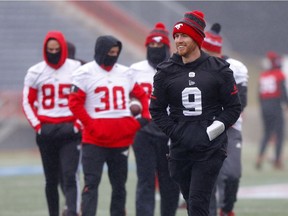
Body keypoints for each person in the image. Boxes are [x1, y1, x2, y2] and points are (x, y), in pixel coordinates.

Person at [149, 10, 242, 216]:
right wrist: (177, 132)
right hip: (180, 148)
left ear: (197, 39)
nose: (179, 40)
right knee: (192, 201)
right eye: (176, 36)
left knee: (198, 202)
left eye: (184, 36)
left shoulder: (219, 69)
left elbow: (233, 108)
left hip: (210, 149)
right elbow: (156, 109)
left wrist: (211, 132)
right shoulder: (165, 71)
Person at [68, 35, 150, 216]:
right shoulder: (85, 72)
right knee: (91, 184)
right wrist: (91, 125)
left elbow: (142, 94)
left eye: (116, 52)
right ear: (100, 51)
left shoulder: (125, 72)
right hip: (94, 140)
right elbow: (74, 103)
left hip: (121, 139)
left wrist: (142, 118)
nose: (113, 56)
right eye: (110, 52)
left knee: (119, 186)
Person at [22, 31, 82, 216]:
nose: (53, 52)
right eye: (50, 49)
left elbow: (85, 97)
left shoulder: (77, 68)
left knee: (70, 175)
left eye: (57, 49)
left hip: (70, 129)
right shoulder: (35, 71)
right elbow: (27, 102)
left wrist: (77, 124)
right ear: (45, 49)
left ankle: (72, 212)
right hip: (47, 129)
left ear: (63, 49)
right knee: (51, 179)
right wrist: (38, 127)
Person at [129, 22, 180, 216]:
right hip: (143, 130)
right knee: (145, 180)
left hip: (170, 130)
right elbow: (127, 97)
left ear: (167, 47)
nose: (156, 50)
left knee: (170, 181)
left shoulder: (177, 67)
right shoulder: (135, 70)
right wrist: (132, 111)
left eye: (160, 46)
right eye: (153, 46)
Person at [201, 23, 249, 216]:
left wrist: (221, 119)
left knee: (231, 174)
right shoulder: (193, 65)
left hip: (230, 125)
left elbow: (241, 100)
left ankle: (227, 209)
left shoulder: (236, 67)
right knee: (205, 178)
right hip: (202, 127)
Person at [256, 51, 288, 170]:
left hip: (264, 106)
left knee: (267, 133)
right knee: (279, 133)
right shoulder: (279, 74)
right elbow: (283, 91)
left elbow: (259, 94)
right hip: (275, 105)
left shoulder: (263, 75)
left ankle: (259, 157)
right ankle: (277, 160)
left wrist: (262, 106)